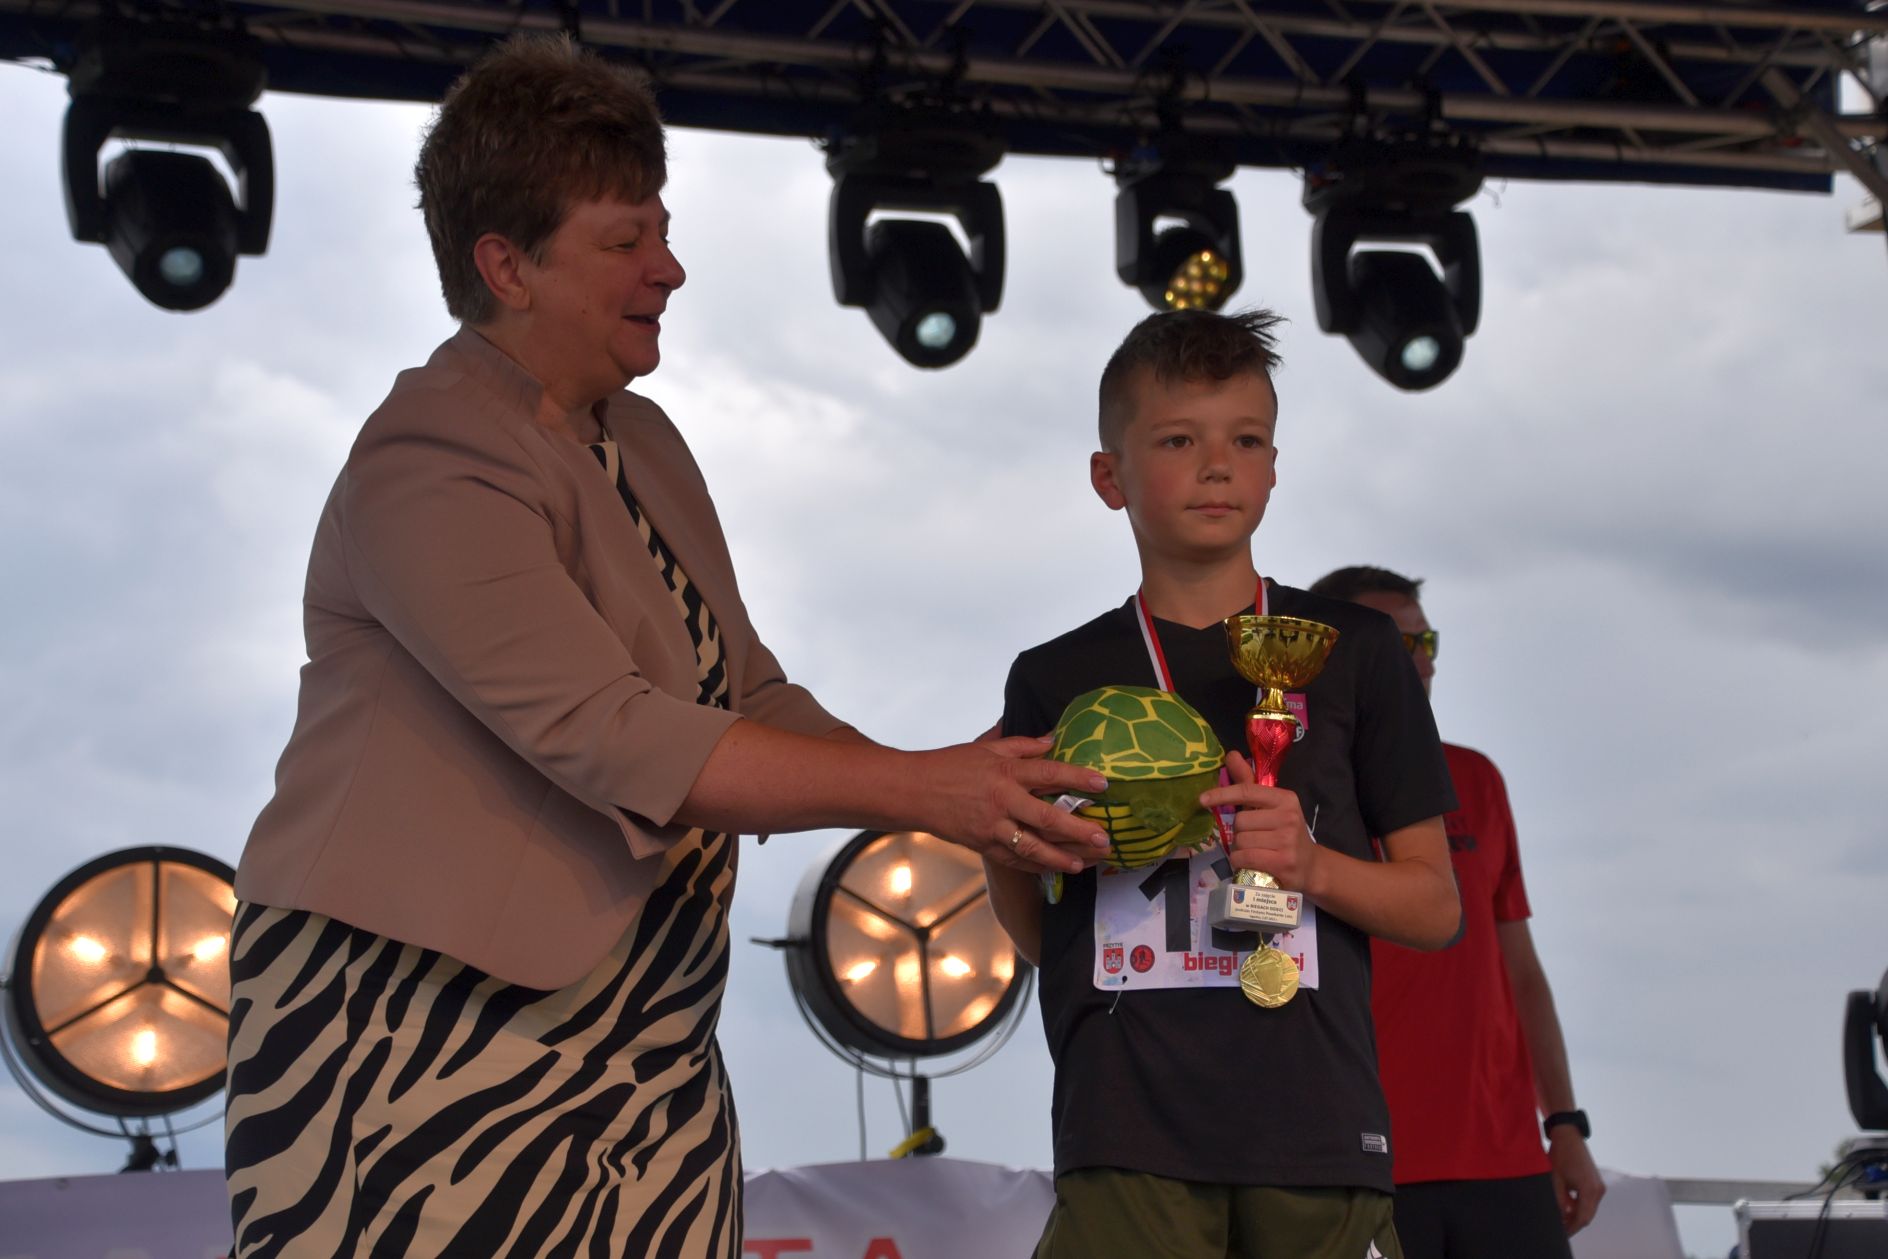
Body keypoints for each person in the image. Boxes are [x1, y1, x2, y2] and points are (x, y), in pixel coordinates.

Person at [221, 35, 1111, 1258]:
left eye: (666, 229)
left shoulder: (642, 441)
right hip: (417, 1028)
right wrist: (925, 790)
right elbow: (611, 732)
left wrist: (968, 787)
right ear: (506, 266)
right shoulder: (426, 456)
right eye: (625, 239)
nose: (670, 267)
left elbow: (749, 693)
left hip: (644, 1042)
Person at [983, 308, 1462, 1259]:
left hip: (1315, 1120)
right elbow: (1043, 931)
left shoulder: (1356, 651)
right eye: (1178, 440)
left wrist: (1311, 865)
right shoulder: (1053, 674)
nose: (1217, 466)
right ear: (1109, 476)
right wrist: (1001, 841)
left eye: (1246, 440)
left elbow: (1435, 906)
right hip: (1126, 1121)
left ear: (1274, 467)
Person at [1308, 565, 1605, 1257]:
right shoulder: (1293, 787)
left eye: (1427, 641)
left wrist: (1564, 1122)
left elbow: (1519, 970)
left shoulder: (1476, 779)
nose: (1421, 660)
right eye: (1397, 643)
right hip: (1357, 1159)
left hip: (1504, 1158)